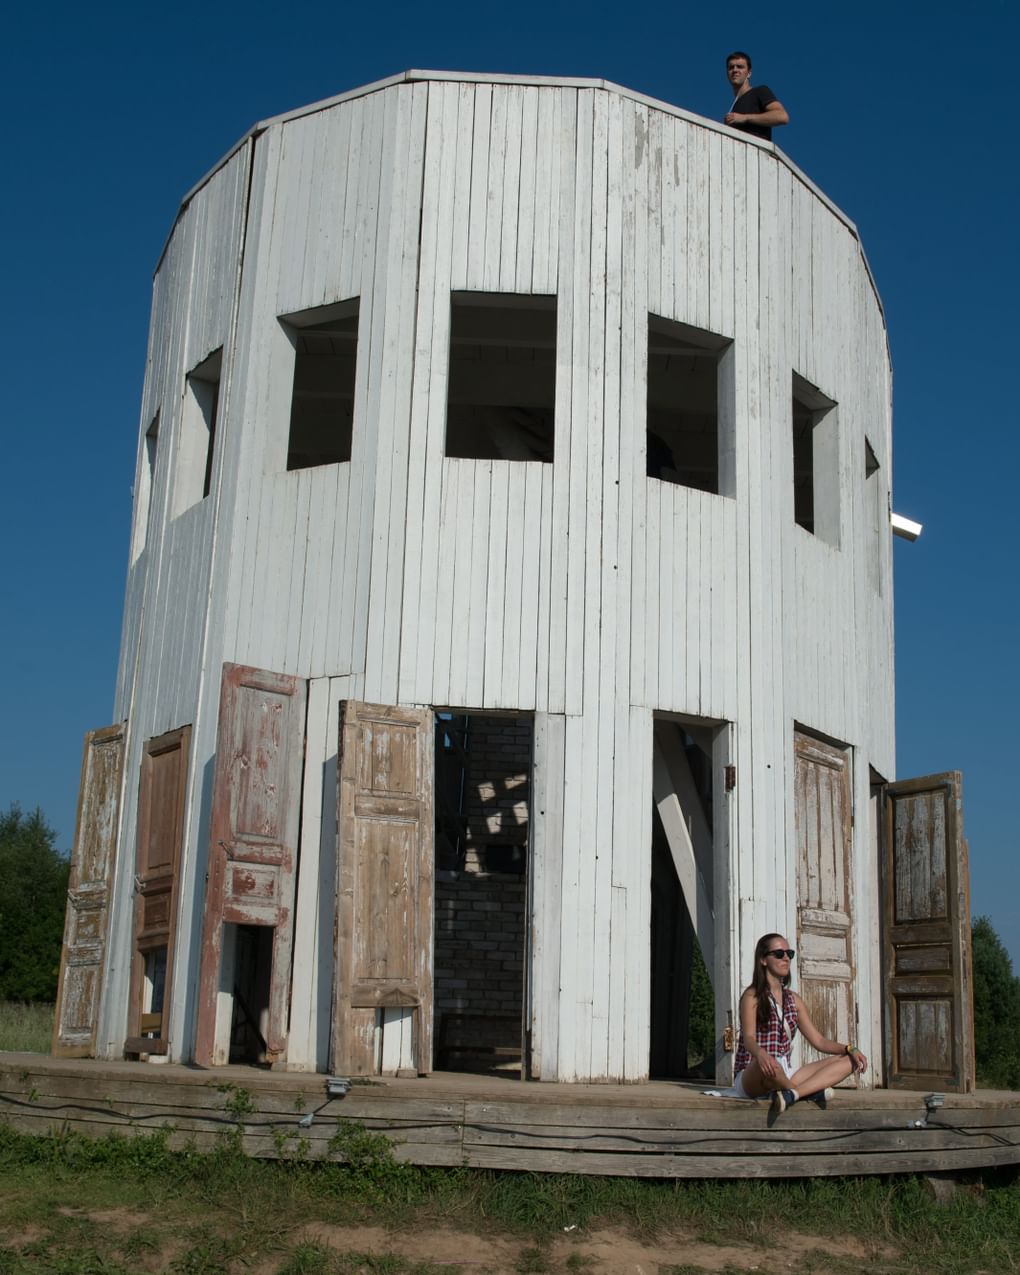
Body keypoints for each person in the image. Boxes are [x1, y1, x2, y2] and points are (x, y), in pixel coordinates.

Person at [733, 932, 867, 1114]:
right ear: (763, 960)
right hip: (754, 1072)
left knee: (850, 1061)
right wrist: (761, 1054)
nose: (786, 958)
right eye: (779, 954)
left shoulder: (793, 1000)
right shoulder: (752, 996)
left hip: (784, 1072)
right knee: (767, 1065)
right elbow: (748, 1038)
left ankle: (792, 1094)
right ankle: (806, 1092)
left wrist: (850, 1048)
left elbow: (818, 1041)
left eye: (790, 954)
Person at [723, 51, 789, 141]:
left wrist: (745, 118)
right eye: (731, 67)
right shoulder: (734, 106)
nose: (735, 70)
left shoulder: (760, 91)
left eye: (740, 67)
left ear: (749, 73)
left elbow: (782, 116)